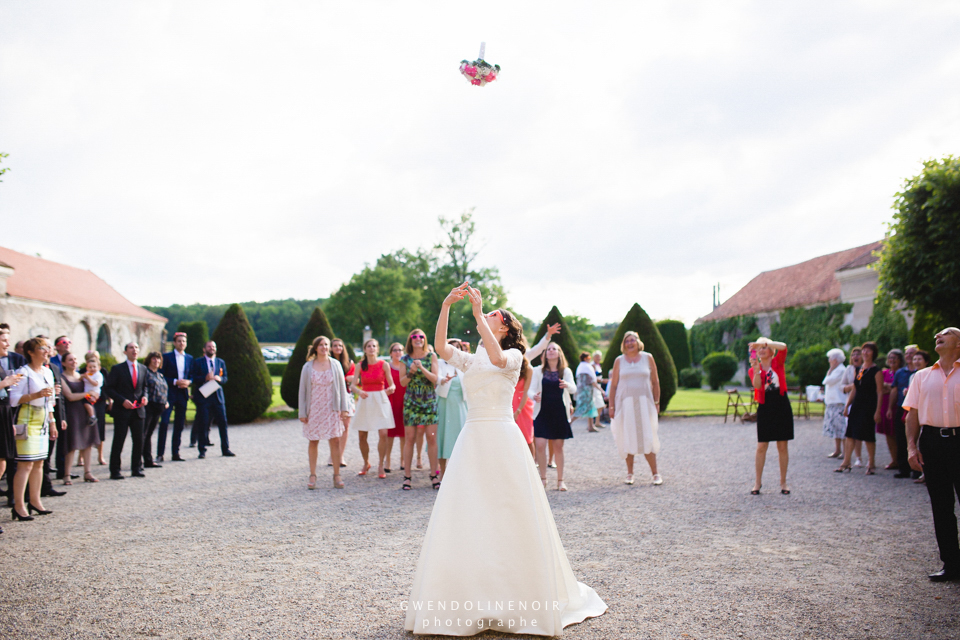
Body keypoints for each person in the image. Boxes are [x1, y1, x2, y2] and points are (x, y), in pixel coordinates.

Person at [404, 283, 606, 634]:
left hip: (502, 435)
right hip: (473, 438)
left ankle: (519, 595)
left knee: (508, 509)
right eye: (487, 314)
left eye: (495, 315)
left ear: (506, 328)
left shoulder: (514, 357)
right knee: (469, 510)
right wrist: (445, 306)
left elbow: (497, 359)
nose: (488, 315)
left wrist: (479, 315)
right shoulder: (472, 358)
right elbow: (439, 347)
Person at [904, 327, 960, 582]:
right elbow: (912, 414)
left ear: (958, 344)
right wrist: (912, 447)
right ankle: (951, 564)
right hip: (933, 442)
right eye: (937, 334)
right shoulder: (921, 376)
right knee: (941, 505)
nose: (938, 334)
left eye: (946, 333)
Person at [8, 337, 58, 520]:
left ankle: (35, 501)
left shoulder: (47, 372)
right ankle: (19, 505)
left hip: (43, 419)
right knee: (25, 464)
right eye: (42, 348)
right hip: (27, 420)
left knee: (39, 463)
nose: (46, 351)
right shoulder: (24, 372)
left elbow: (51, 401)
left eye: (47, 348)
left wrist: (52, 422)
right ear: (31, 352)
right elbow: (13, 399)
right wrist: (36, 394)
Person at [608, 331, 662, 486]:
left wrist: (657, 402)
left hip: (645, 403)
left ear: (638, 342)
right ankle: (630, 473)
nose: (630, 343)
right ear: (623, 344)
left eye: (633, 340)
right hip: (625, 404)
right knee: (627, 436)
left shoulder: (648, 358)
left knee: (648, 436)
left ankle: (655, 473)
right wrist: (611, 406)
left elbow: (655, 381)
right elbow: (614, 385)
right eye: (627, 341)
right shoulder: (619, 360)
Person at [298, 336, 349, 489]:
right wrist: (302, 411)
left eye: (326, 344)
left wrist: (344, 408)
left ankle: (336, 474)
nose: (324, 347)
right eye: (321, 345)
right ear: (315, 348)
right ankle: (313, 475)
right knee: (313, 441)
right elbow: (303, 390)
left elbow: (342, 388)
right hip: (314, 408)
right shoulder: (307, 367)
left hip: (332, 407)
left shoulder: (336, 364)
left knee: (335, 440)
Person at [529, 342, 576, 491]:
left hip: (559, 412)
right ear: (545, 354)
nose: (550, 351)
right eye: (548, 349)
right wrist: (533, 396)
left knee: (558, 447)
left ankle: (560, 480)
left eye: (554, 348)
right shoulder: (538, 371)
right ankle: (543, 479)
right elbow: (530, 390)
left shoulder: (565, 371)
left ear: (559, 352)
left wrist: (567, 385)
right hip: (542, 412)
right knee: (540, 445)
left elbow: (574, 388)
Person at [749, 337, 793, 495]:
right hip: (765, 405)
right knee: (762, 446)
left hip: (781, 403)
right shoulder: (754, 367)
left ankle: (783, 482)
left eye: (764, 347)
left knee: (782, 445)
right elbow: (758, 386)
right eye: (759, 348)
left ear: (770, 350)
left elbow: (784, 346)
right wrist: (755, 369)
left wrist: (766, 342)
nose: (761, 350)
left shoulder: (777, 362)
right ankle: (757, 482)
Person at [399, 328, 440, 490]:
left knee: (431, 438)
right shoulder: (404, 359)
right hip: (411, 403)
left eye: (421, 336)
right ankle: (407, 476)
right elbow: (402, 382)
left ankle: (433, 474)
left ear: (424, 339)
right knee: (409, 439)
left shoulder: (432, 356)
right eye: (414, 336)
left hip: (429, 401)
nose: (418, 339)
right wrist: (411, 372)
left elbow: (435, 379)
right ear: (410, 340)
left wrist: (422, 368)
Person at [350, 339, 396, 479]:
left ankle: (381, 464)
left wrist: (389, 390)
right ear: (365, 349)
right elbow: (352, 386)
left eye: (374, 346)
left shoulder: (384, 365)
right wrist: (359, 392)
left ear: (377, 349)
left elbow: (392, 385)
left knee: (383, 433)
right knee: (362, 435)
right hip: (365, 400)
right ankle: (366, 463)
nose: (371, 348)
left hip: (380, 400)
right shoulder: (359, 366)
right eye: (369, 346)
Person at [838, 342, 884, 475]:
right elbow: (855, 389)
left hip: (869, 405)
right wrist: (847, 406)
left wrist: (878, 411)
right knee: (850, 434)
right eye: (864, 350)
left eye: (868, 351)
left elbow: (880, 392)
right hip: (857, 405)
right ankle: (846, 462)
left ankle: (871, 463)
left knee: (868, 435)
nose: (865, 353)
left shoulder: (876, 371)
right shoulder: (859, 370)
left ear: (873, 353)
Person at [105, 342, 150, 479]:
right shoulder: (118, 369)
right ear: (125, 352)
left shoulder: (143, 369)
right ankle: (115, 470)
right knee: (119, 440)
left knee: (139, 441)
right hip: (122, 411)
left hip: (138, 411)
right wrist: (122, 400)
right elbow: (109, 389)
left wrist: (145, 397)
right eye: (131, 348)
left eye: (136, 347)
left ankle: (136, 468)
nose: (134, 350)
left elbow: (145, 387)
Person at [60, 352, 101, 484]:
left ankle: (87, 472)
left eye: (75, 359)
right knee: (72, 443)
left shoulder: (82, 376)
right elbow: (70, 396)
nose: (73, 361)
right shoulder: (62, 377)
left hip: (85, 411)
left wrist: (93, 395)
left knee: (87, 442)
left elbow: (95, 386)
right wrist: (87, 393)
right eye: (70, 360)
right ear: (64, 363)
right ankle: (66, 474)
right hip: (72, 412)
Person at [191, 340, 235, 459]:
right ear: (204, 349)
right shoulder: (198, 362)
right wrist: (204, 378)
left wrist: (220, 379)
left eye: (213, 346)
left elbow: (225, 378)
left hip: (218, 398)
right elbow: (193, 378)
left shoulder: (220, 362)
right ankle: (202, 450)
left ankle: (225, 449)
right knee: (203, 424)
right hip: (204, 398)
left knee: (223, 423)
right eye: (209, 346)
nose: (212, 348)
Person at [0, 324, 26, 529]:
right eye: (4, 339)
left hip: (3, 415)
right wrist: (3, 383)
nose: (8, 344)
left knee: (3, 462)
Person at [158, 332, 193, 462]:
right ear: (174, 343)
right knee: (165, 423)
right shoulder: (167, 357)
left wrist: (189, 382)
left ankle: (175, 453)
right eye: (179, 341)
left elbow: (192, 375)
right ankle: (160, 453)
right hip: (169, 393)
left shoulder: (189, 358)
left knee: (179, 424)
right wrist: (174, 381)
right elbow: (161, 375)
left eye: (183, 341)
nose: (181, 343)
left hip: (183, 394)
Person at [436, 339, 468, 480]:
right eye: (451, 347)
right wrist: (442, 379)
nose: (454, 350)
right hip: (444, 404)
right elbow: (436, 376)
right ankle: (442, 472)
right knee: (443, 437)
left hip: (461, 406)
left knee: (461, 439)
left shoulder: (464, 365)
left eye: (457, 348)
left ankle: (460, 474)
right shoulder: (440, 363)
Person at [891, 347, 920, 478]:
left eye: (912, 354)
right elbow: (894, 390)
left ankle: (917, 469)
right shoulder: (900, 372)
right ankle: (903, 468)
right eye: (907, 354)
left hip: (916, 409)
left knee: (916, 438)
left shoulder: (921, 373)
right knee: (901, 438)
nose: (909, 356)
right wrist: (889, 408)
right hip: (902, 407)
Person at [141, 352, 168, 469]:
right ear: (149, 360)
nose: (156, 361)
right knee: (144, 433)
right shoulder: (145, 373)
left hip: (159, 407)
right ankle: (142, 460)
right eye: (154, 358)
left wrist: (165, 401)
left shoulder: (159, 375)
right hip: (149, 406)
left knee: (149, 434)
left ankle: (148, 459)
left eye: (158, 359)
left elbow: (163, 390)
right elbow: (144, 387)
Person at [330, 338, 355, 468]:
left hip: (346, 395)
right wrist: (345, 378)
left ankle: (340, 455)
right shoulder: (327, 363)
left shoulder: (349, 363)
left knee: (345, 426)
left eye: (340, 345)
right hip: (331, 396)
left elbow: (355, 379)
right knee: (334, 426)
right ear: (331, 348)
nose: (338, 348)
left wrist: (351, 379)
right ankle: (332, 454)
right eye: (335, 346)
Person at [879, 350, 904, 469]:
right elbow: (880, 389)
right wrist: (891, 388)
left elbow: (899, 388)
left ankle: (902, 460)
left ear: (900, 360)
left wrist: (888, 387)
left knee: (899, 434)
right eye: (890, 358)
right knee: (888, 433)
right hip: (885, 405)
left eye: (895, 358)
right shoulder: (884, 373)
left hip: (898, 405)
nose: (892, 360)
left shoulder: (902, 373)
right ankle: (894, 459)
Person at [822, 348, 847, 458]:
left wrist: (830, 370)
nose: (829, 361)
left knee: (841, 428)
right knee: (835, 429)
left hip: (839, 402)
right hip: (832, 402)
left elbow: (827, 381)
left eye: (830, 359)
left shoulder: (841, 370)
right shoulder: (835, 370)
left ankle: (845, 452)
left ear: (836, 360)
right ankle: (837, 450)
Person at [841, 347, 864, 466]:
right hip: (850, 403)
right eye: (853, 354)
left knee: (858, 431)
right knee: (849, 432)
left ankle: (859, 457)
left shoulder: (866, 369)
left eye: (858, 354)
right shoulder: (848, 369)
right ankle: (847, 457)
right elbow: (843, 387)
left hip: (862, 403)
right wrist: (851, 386)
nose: (855, 357)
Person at [386, 342, 406, 472]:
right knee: (390, 433)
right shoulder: (387, 366)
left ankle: (403, 459)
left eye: (400, 350)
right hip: (391, 402)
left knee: (405, 433)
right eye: (395, 350)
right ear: (391, 353)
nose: (398, 352)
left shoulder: (407, 366)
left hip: (405, 401)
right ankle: (387, 460)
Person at [512, 353, 536, 457]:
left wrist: (518, 410)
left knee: (527, 436)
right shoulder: (507, 364)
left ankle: (532, 465)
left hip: (523, 404)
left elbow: (527, 391)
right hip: (509, 401)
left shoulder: (528, 368)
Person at [573, 351, 601, 432]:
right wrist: (601, 390)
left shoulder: (580, 367)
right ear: (585, 358)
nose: (590, 359)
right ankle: (569, 423)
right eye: (589, 358)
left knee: (590, 408)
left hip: (583, 391)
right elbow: (592, 381)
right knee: (581, 409)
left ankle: (591, 426)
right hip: (586, 392)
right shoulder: (587, 367)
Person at [79, 355, 103, 427]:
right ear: (87, 368)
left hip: (94, 393)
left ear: (99, 368)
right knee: (85, 404)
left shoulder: (98, 375)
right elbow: (80, 380)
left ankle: (92, 416)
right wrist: (82, 377)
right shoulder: (87, 374)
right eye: (90, 367)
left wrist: (88, 378)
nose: (92, 369)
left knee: (86, 404)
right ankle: (91, 416)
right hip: (87, 393)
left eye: (94, 367)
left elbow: (96, 383)